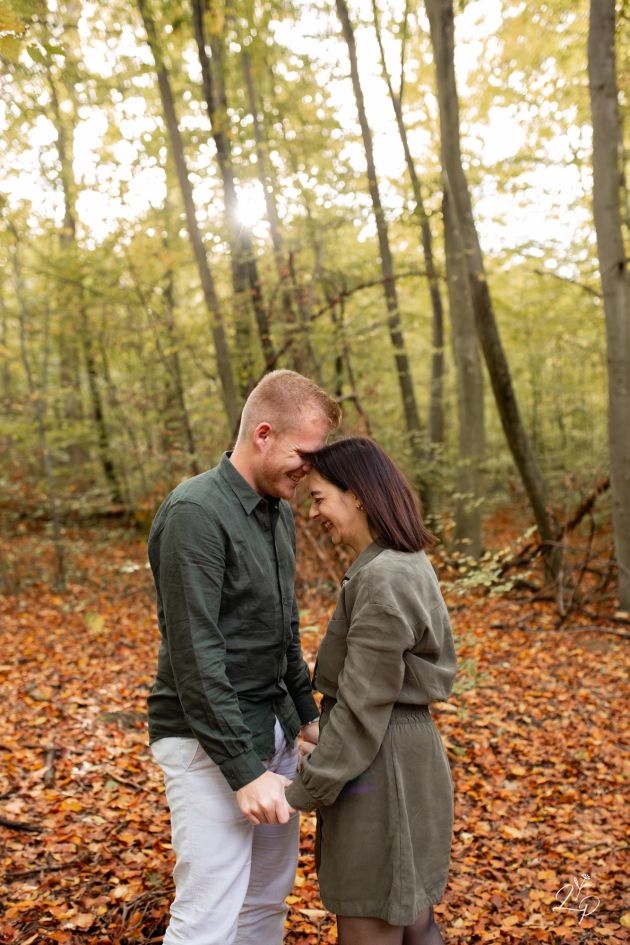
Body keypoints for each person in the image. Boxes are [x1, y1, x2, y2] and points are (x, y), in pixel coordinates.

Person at [147, 370, 341, 945]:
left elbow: (282, 629)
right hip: (207, 743)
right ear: (263, 433)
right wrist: (244, 770)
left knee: (264, 901)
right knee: (209, 914)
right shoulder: (194, 514)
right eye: (304, 454)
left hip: (273, 730)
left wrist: (307, 717)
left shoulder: (277, 512)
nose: (311, 470)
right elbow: (196, 655)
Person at [285, 437, 457, 945]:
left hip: (382, 775)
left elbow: (363, 707)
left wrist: (303, 791)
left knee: (373, 919)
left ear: (357, 495)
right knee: (410, 918)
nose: (314, 513)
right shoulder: (400, 562)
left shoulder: (384, 576)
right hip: (394, 761)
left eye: (318, 498)